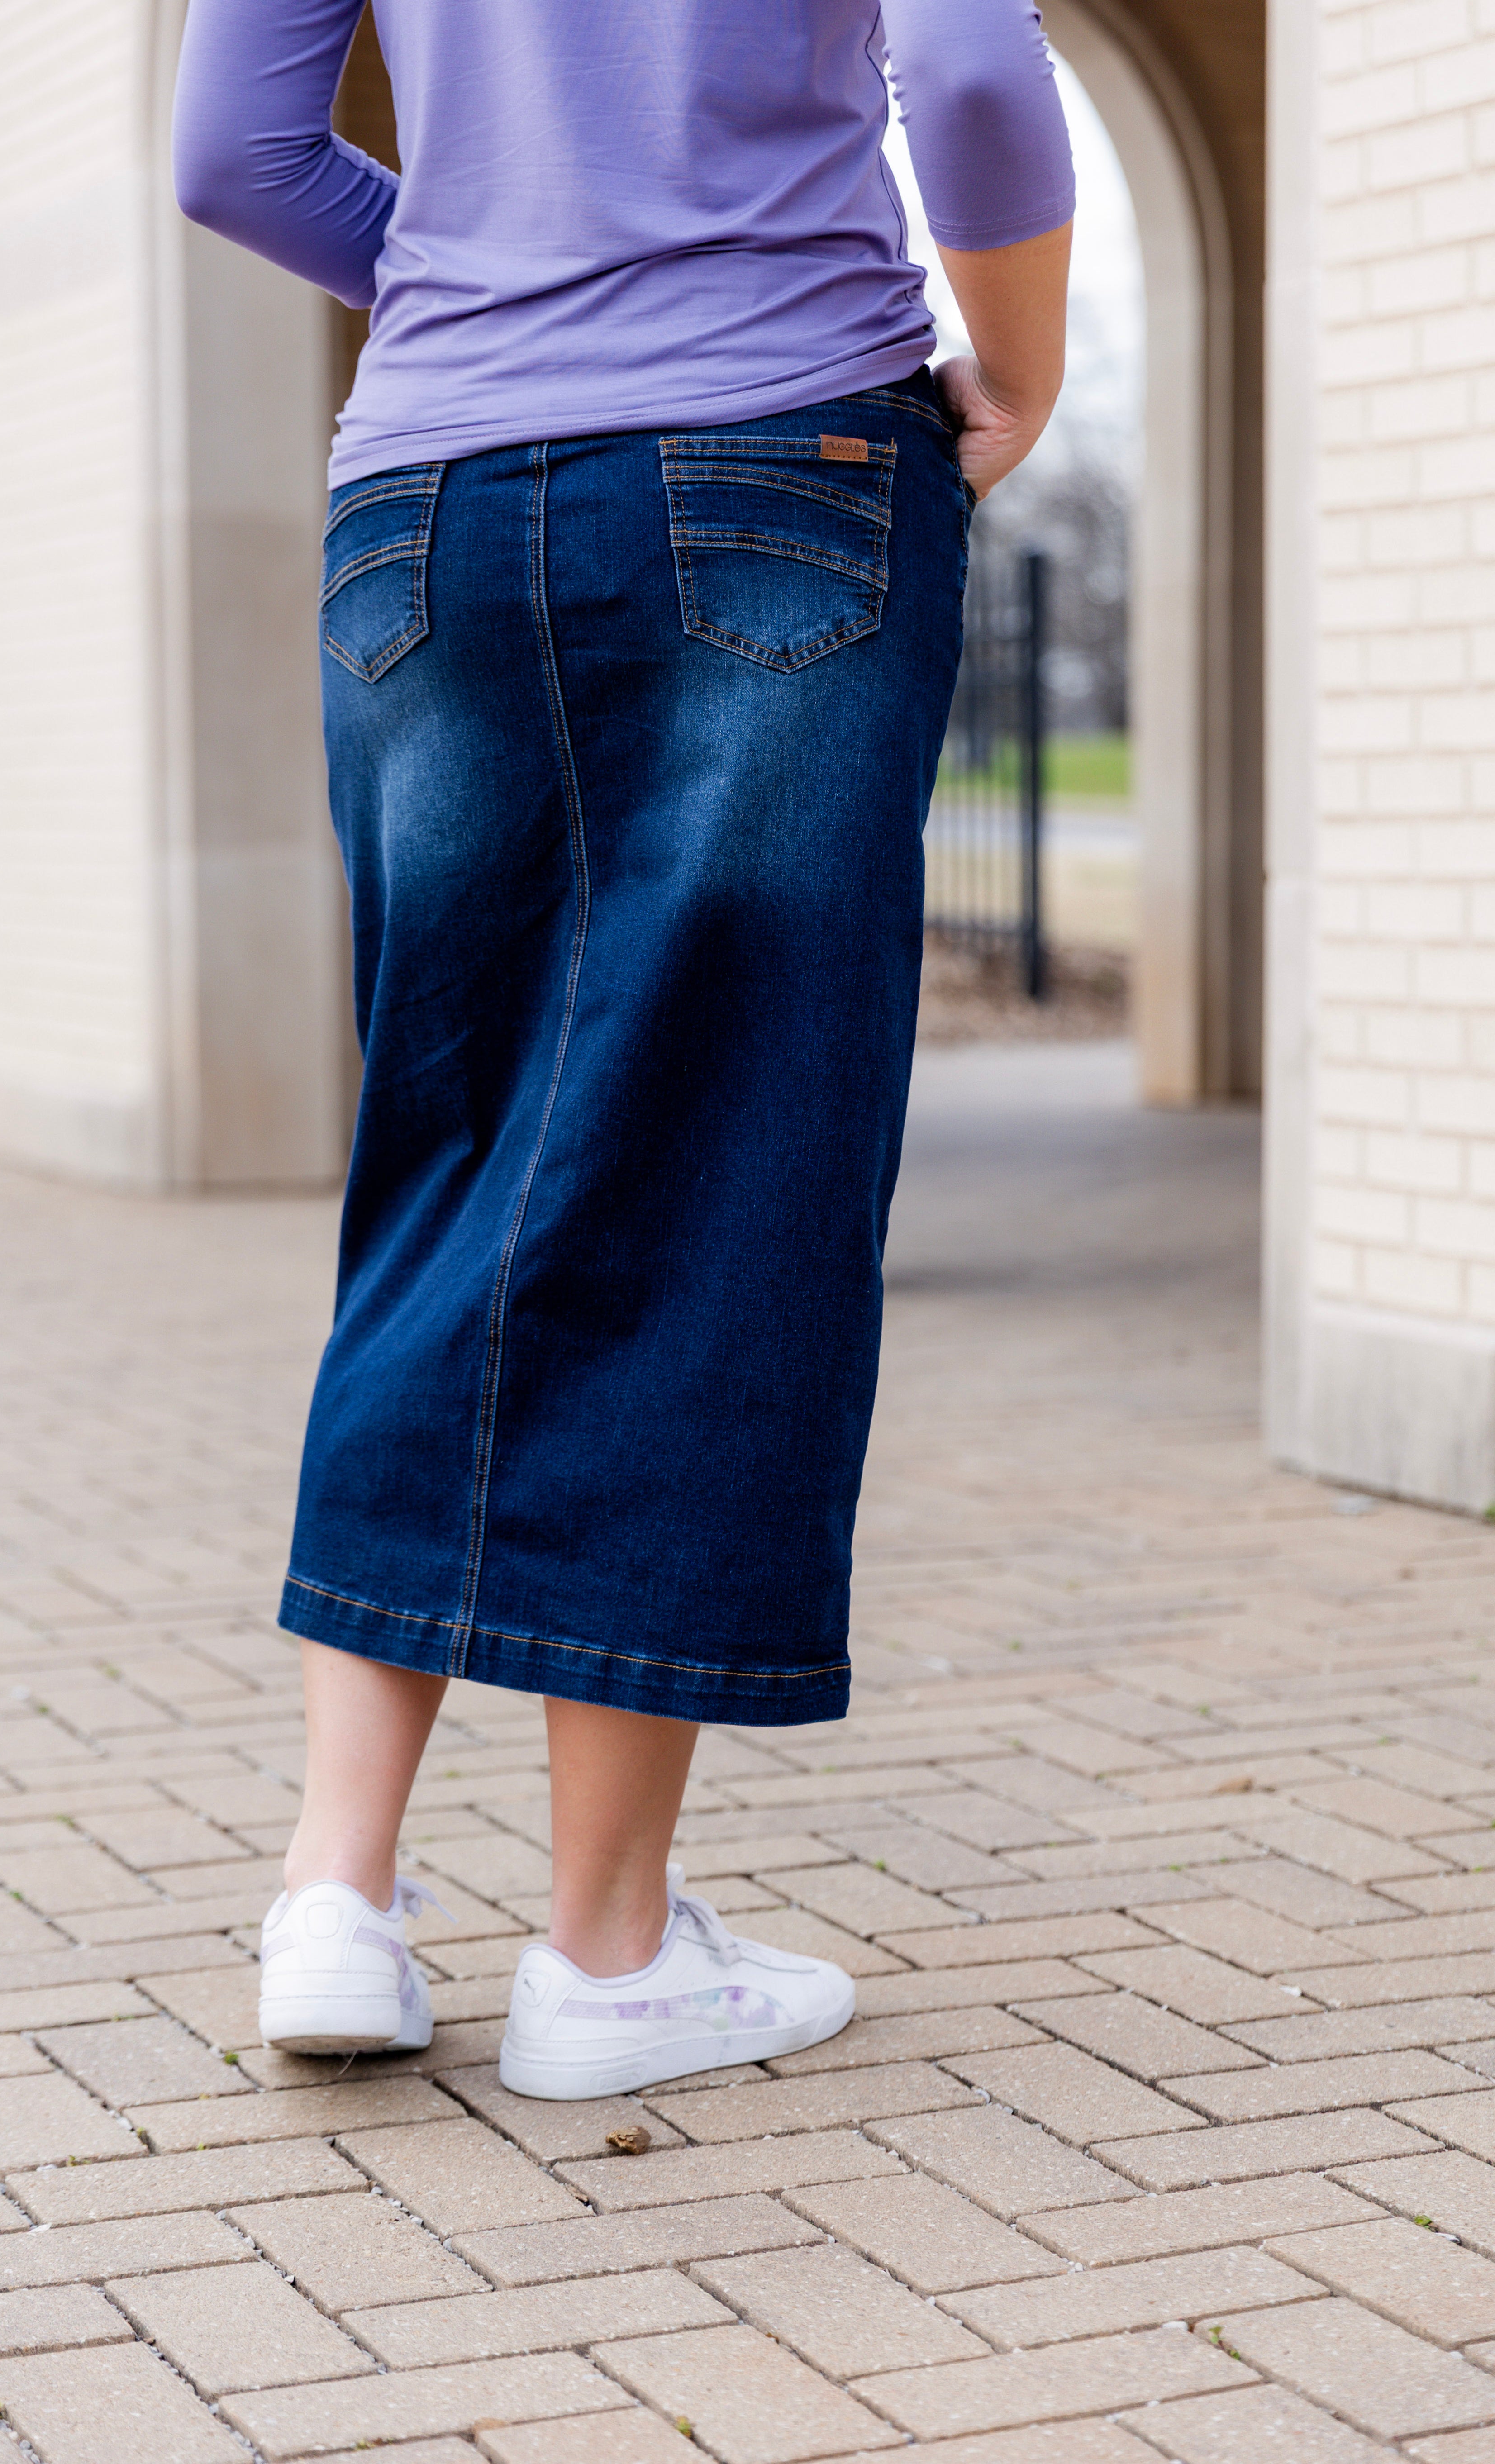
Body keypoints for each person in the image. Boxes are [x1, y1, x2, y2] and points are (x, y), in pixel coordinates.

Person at [174, 0, 1072, 2098]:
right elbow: (967, 70)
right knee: (707, 1176)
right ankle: (605, 1951)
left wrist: (492, 269)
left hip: (427, 500)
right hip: (779, 460)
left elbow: (237, 153)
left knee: (448, 1157)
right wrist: (1015, 367)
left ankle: (338, 1893)